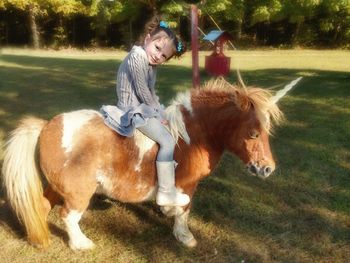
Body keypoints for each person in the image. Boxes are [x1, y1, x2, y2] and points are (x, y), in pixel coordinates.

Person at [100, 18, 190, 207]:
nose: (159, 56)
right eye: (158, 48)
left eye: (164, 56)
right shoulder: (137, 56)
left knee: (170, 125)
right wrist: (157, 114)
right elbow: (142, 91)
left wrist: (162, 113)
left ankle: (160, 176)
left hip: (141, 107)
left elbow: (151, 93)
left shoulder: (150, 64)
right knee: (167, 140)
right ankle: (166, 192)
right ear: (148, 39)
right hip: (132, 110)